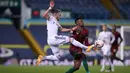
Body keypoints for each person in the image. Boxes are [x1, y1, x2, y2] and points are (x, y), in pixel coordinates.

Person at [36, 0, 94, 66]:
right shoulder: (51, 18)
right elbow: (44, 15)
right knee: (71, 40)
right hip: (53, 38)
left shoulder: (57, 22)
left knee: (57, 57)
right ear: (55, 14)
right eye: (59, 15)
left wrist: (71, 29)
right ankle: (86, 48)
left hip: (50, 40)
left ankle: (42, 58)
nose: (60, 16)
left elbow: (62, 29)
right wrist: (50, 8)